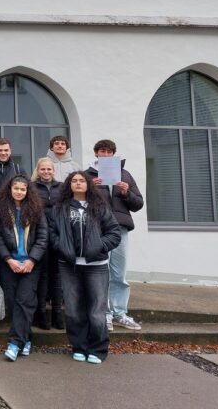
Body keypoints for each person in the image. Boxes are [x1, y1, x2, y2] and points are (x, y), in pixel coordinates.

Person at [49, 171, 121, 364]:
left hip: (96, 266)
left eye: (82, 180)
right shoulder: (60, 208)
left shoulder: (100, 207)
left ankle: (98, 349)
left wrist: (100, 246)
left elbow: (114, 233)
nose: (78, 183)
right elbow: (52, 232)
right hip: (69, 265)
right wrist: (61, 247)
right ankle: (79, 346)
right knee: (73, 309)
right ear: (69, 185)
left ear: (88, 184)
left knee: (96, 310)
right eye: (74, 181)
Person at [85, 139, 144, 332]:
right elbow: (75, 201)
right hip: (98, 228)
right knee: (102, 272)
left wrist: (126, 193)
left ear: (113, 154)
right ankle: (105, 314)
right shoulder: (86, 175)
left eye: (109, 152)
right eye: (102, 151)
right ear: (96, 153)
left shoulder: (125, 174)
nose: (105, 154)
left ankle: (120, 313)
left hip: (120, 228)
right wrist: (88, 188)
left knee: (119, 273)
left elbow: (138, 204)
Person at [0, 175, 47, 362]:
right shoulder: (1, 209)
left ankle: (14, 343)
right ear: (10, 189)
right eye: (16, 188)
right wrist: (9, 259)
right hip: (9, 264)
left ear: (27, 191)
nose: (19, 192)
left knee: (25, 301)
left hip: (31, 264)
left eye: (23, 189)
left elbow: (43, 237)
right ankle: (26, 339)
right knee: (14, 301)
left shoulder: (36, 209)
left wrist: (32, 260)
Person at [31, 157, 63, 330]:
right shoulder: (32, 187)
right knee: (42, 276)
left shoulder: (62, 187)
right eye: (43, 169)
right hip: (40, 236)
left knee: (56, 276)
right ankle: (41, 313)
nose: (46, 172)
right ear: (38, 170)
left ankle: (58, 313)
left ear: (53, 170)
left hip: (58, 236)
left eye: (49, 169)